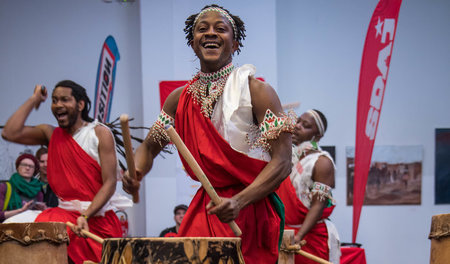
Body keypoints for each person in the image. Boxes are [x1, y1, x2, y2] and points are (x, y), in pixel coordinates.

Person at [123, 5, 294, 264]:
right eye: (202, 29)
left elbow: (282, 162)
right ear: (193, 44)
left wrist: (238, 201)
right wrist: (135, 171)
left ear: (235, 43)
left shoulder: (258, 92)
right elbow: (148, 148)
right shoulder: (178, 99)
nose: (210, 33)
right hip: (207, 208)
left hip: (250, 208)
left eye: (220, 29)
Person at [1, 80, 123, 264]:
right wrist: (34, 99)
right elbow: (9, 133)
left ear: (80, 104)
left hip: (96, 219)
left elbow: (110, 183)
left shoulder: (99, 134)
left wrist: (85, 215)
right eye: (54, 100)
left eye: (65, 100)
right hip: (62, 216)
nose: (58, 105)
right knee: (11, 227)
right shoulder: (51, 134)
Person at [276, 109, 340, 264]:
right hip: (285, 235)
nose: (297, 126)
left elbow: (318, 205)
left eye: (306, 126)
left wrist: (298, 236)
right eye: (298, 121)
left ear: (317, 136)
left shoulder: (322, 162)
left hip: (309, 237)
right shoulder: (287, 158)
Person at [0, 153, 46, 223]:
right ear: (17, 167)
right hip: (8, 230)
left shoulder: (38, 191)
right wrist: (21, 210)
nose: (27, 168)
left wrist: (43, 210)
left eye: (31, 166)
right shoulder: (5, 187)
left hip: (30, 230)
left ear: (34, 170)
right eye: (24, 165)